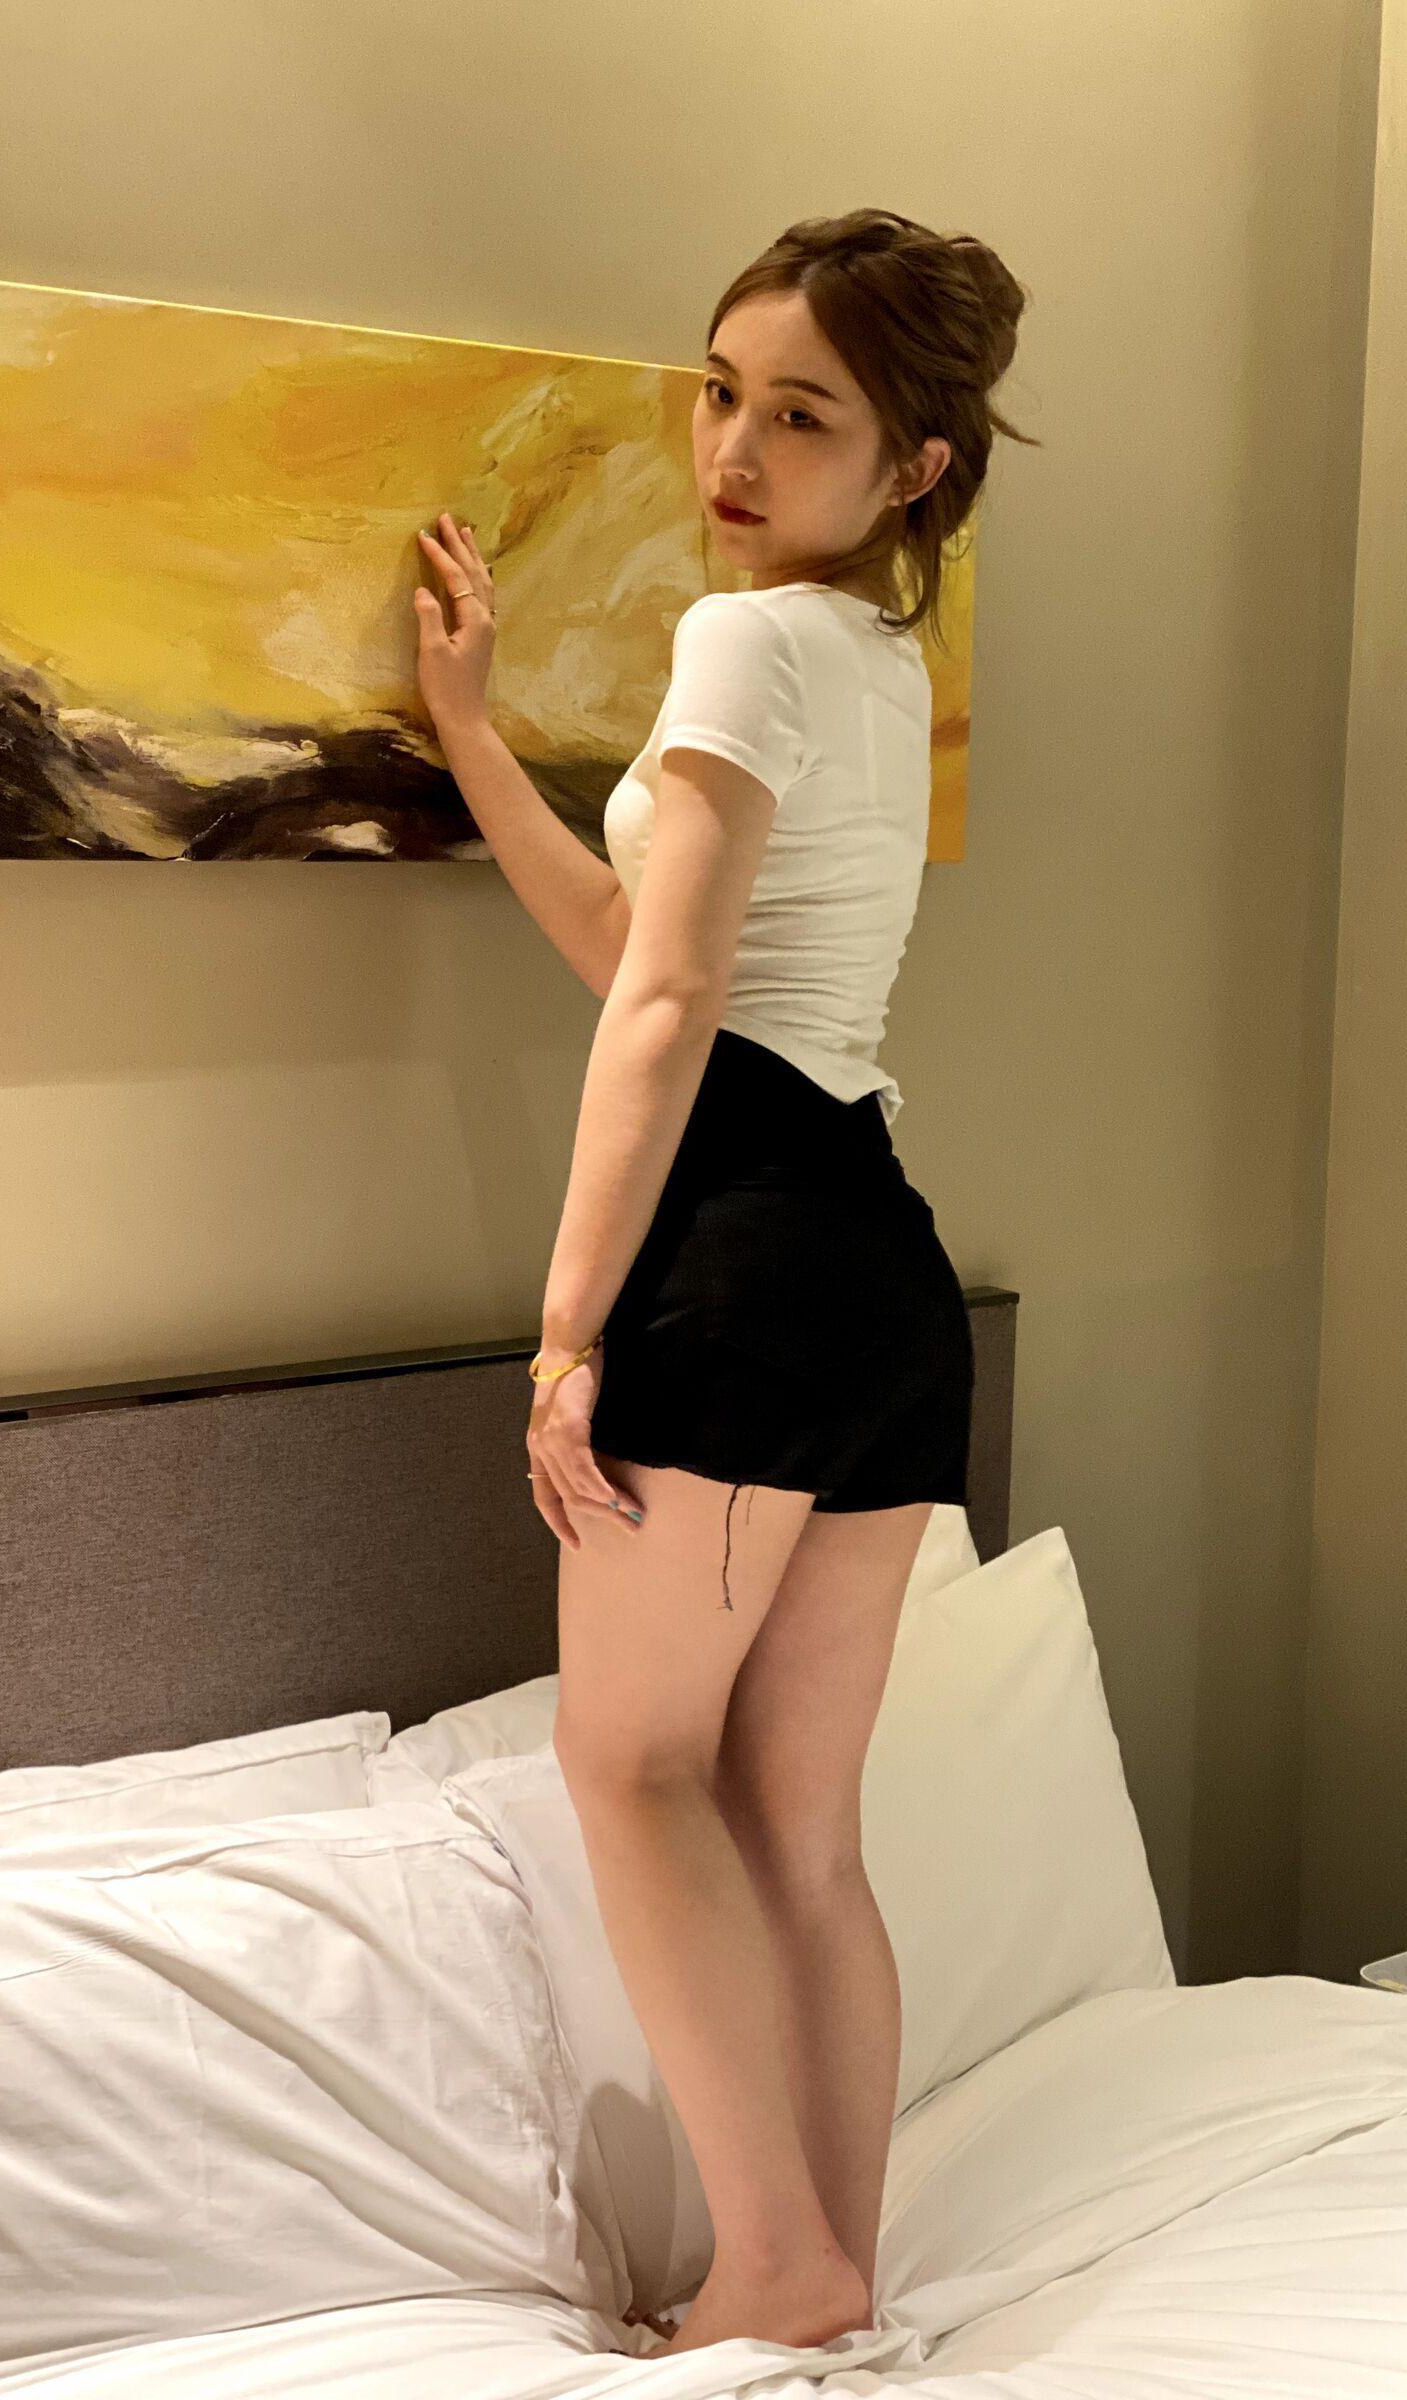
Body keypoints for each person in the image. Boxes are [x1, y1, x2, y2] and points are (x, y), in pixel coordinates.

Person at [413, 206, 1035, 2358]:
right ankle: (828, 2274)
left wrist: (566, 1334)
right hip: (882, 1271)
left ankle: (772, 2266)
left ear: (916, 465)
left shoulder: (742, 643)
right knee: (803, 1825)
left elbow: (667, 1010)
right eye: (722, 393)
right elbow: (644, 948)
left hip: (745, 1259)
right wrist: (474, 735)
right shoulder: (877, 664)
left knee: (631, 1766)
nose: (736, 450)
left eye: (804, 416)